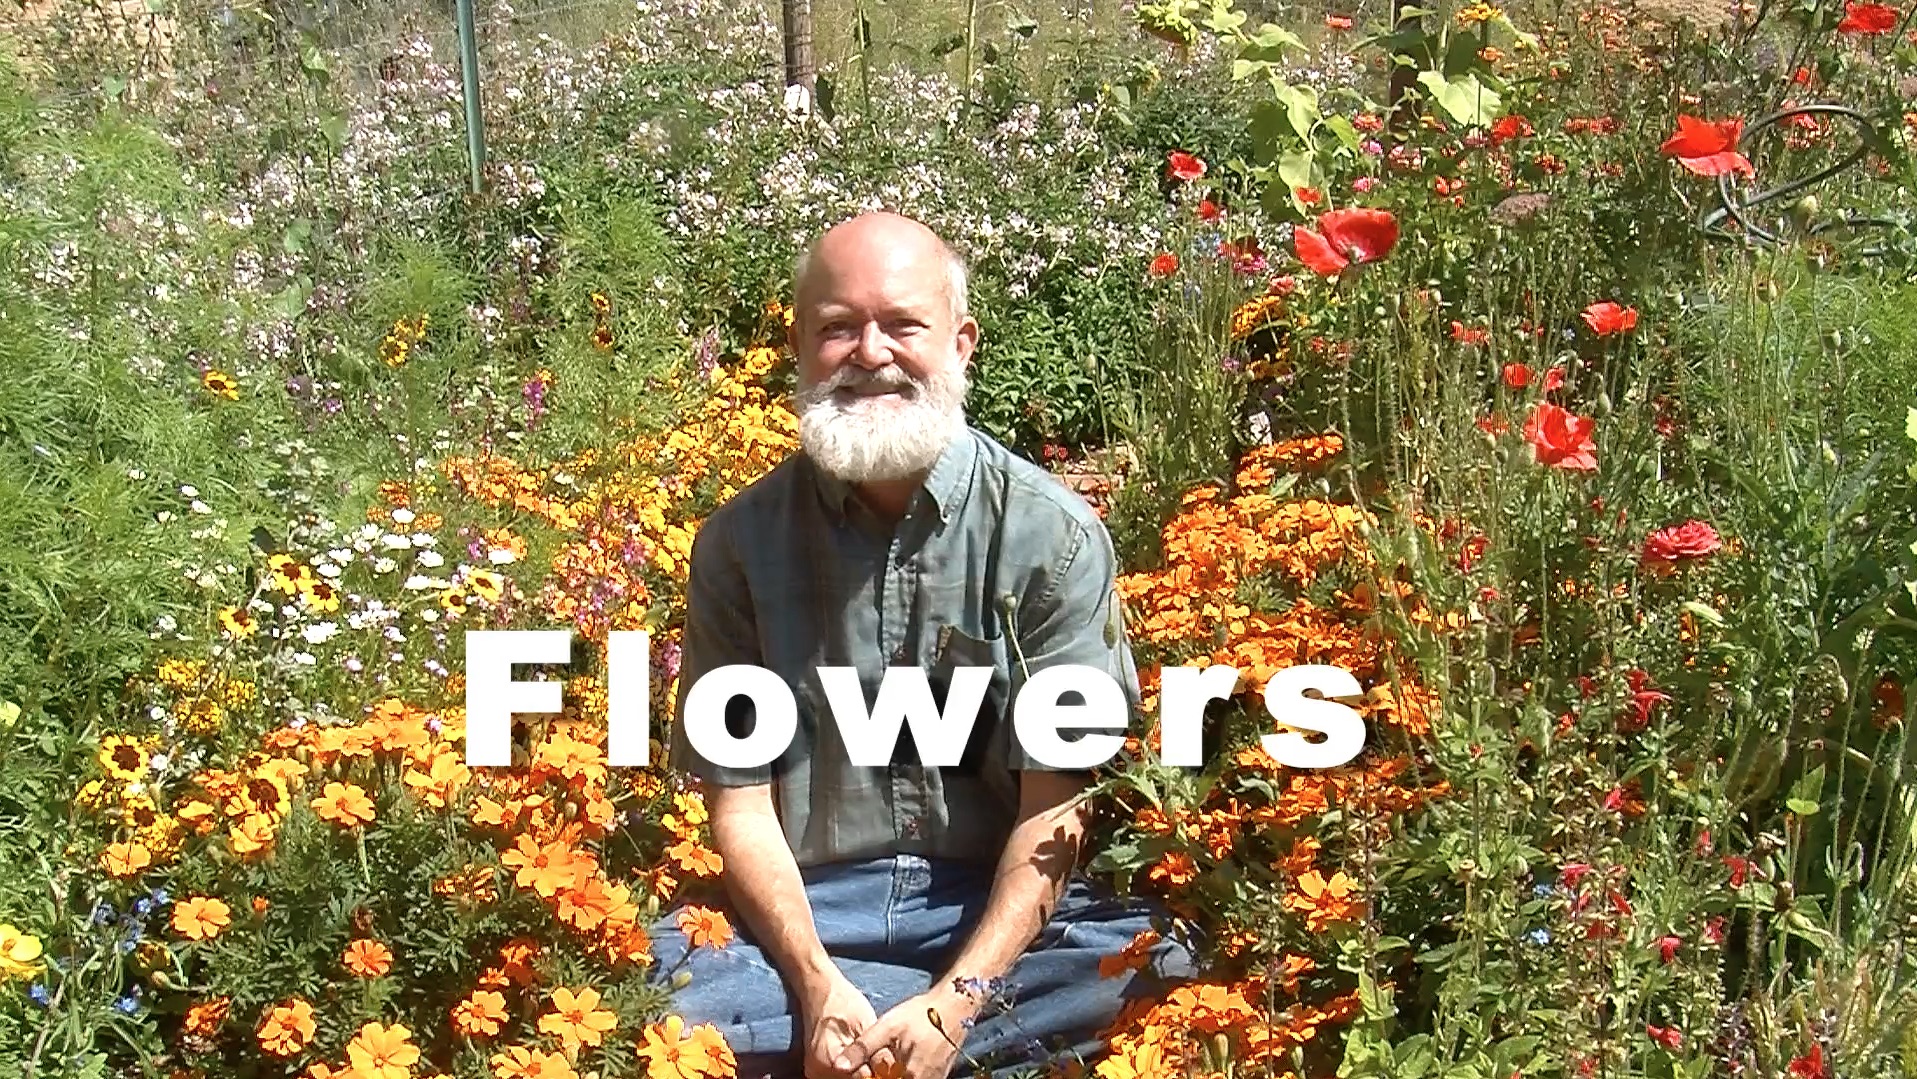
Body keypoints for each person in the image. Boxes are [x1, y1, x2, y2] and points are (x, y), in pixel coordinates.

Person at [652, 212, 1192, 1079]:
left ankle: (870, 1046)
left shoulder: (1050, 537)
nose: (870, 353)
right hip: (809, 913)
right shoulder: (738, 544)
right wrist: (815, 981)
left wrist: (958, 998)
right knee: (648, 983)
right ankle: (920, 1045)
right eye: (837, 327)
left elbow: (1053, 809)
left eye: (902, 324)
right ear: (798, 346)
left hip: (986, 904)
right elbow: (742, 808)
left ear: (960, 342)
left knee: (1160, 961)